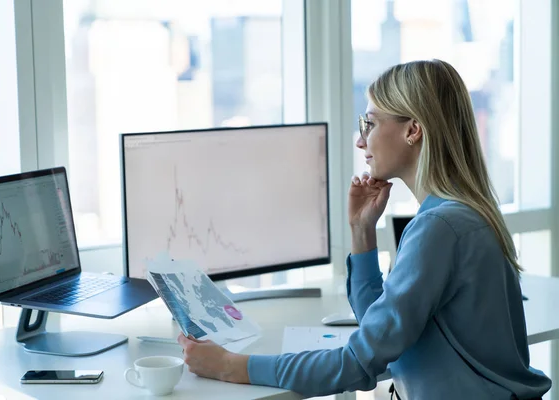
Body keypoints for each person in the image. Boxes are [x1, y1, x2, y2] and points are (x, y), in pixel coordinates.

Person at [177, 59, 552, 399]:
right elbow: (383, 330)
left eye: (369, 124)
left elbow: (359, 362)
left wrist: (232, 366)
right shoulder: (460, 213)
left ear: (413, 130)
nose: (361, 140)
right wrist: (361, 231)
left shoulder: (440, 227)